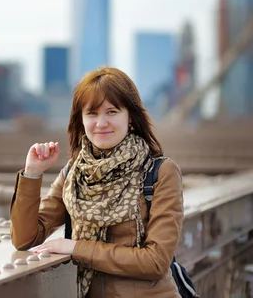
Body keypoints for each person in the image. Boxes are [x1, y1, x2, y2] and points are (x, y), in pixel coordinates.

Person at [10, 67, 184, 297]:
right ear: (81, 120)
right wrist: (32, 173)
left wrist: (75, 248)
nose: (101, 123)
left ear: (130, 116)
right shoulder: (74, 174)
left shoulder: (161, 173)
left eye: (112, 112)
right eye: (92, 113)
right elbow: (24, 238)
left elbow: (155, 261)